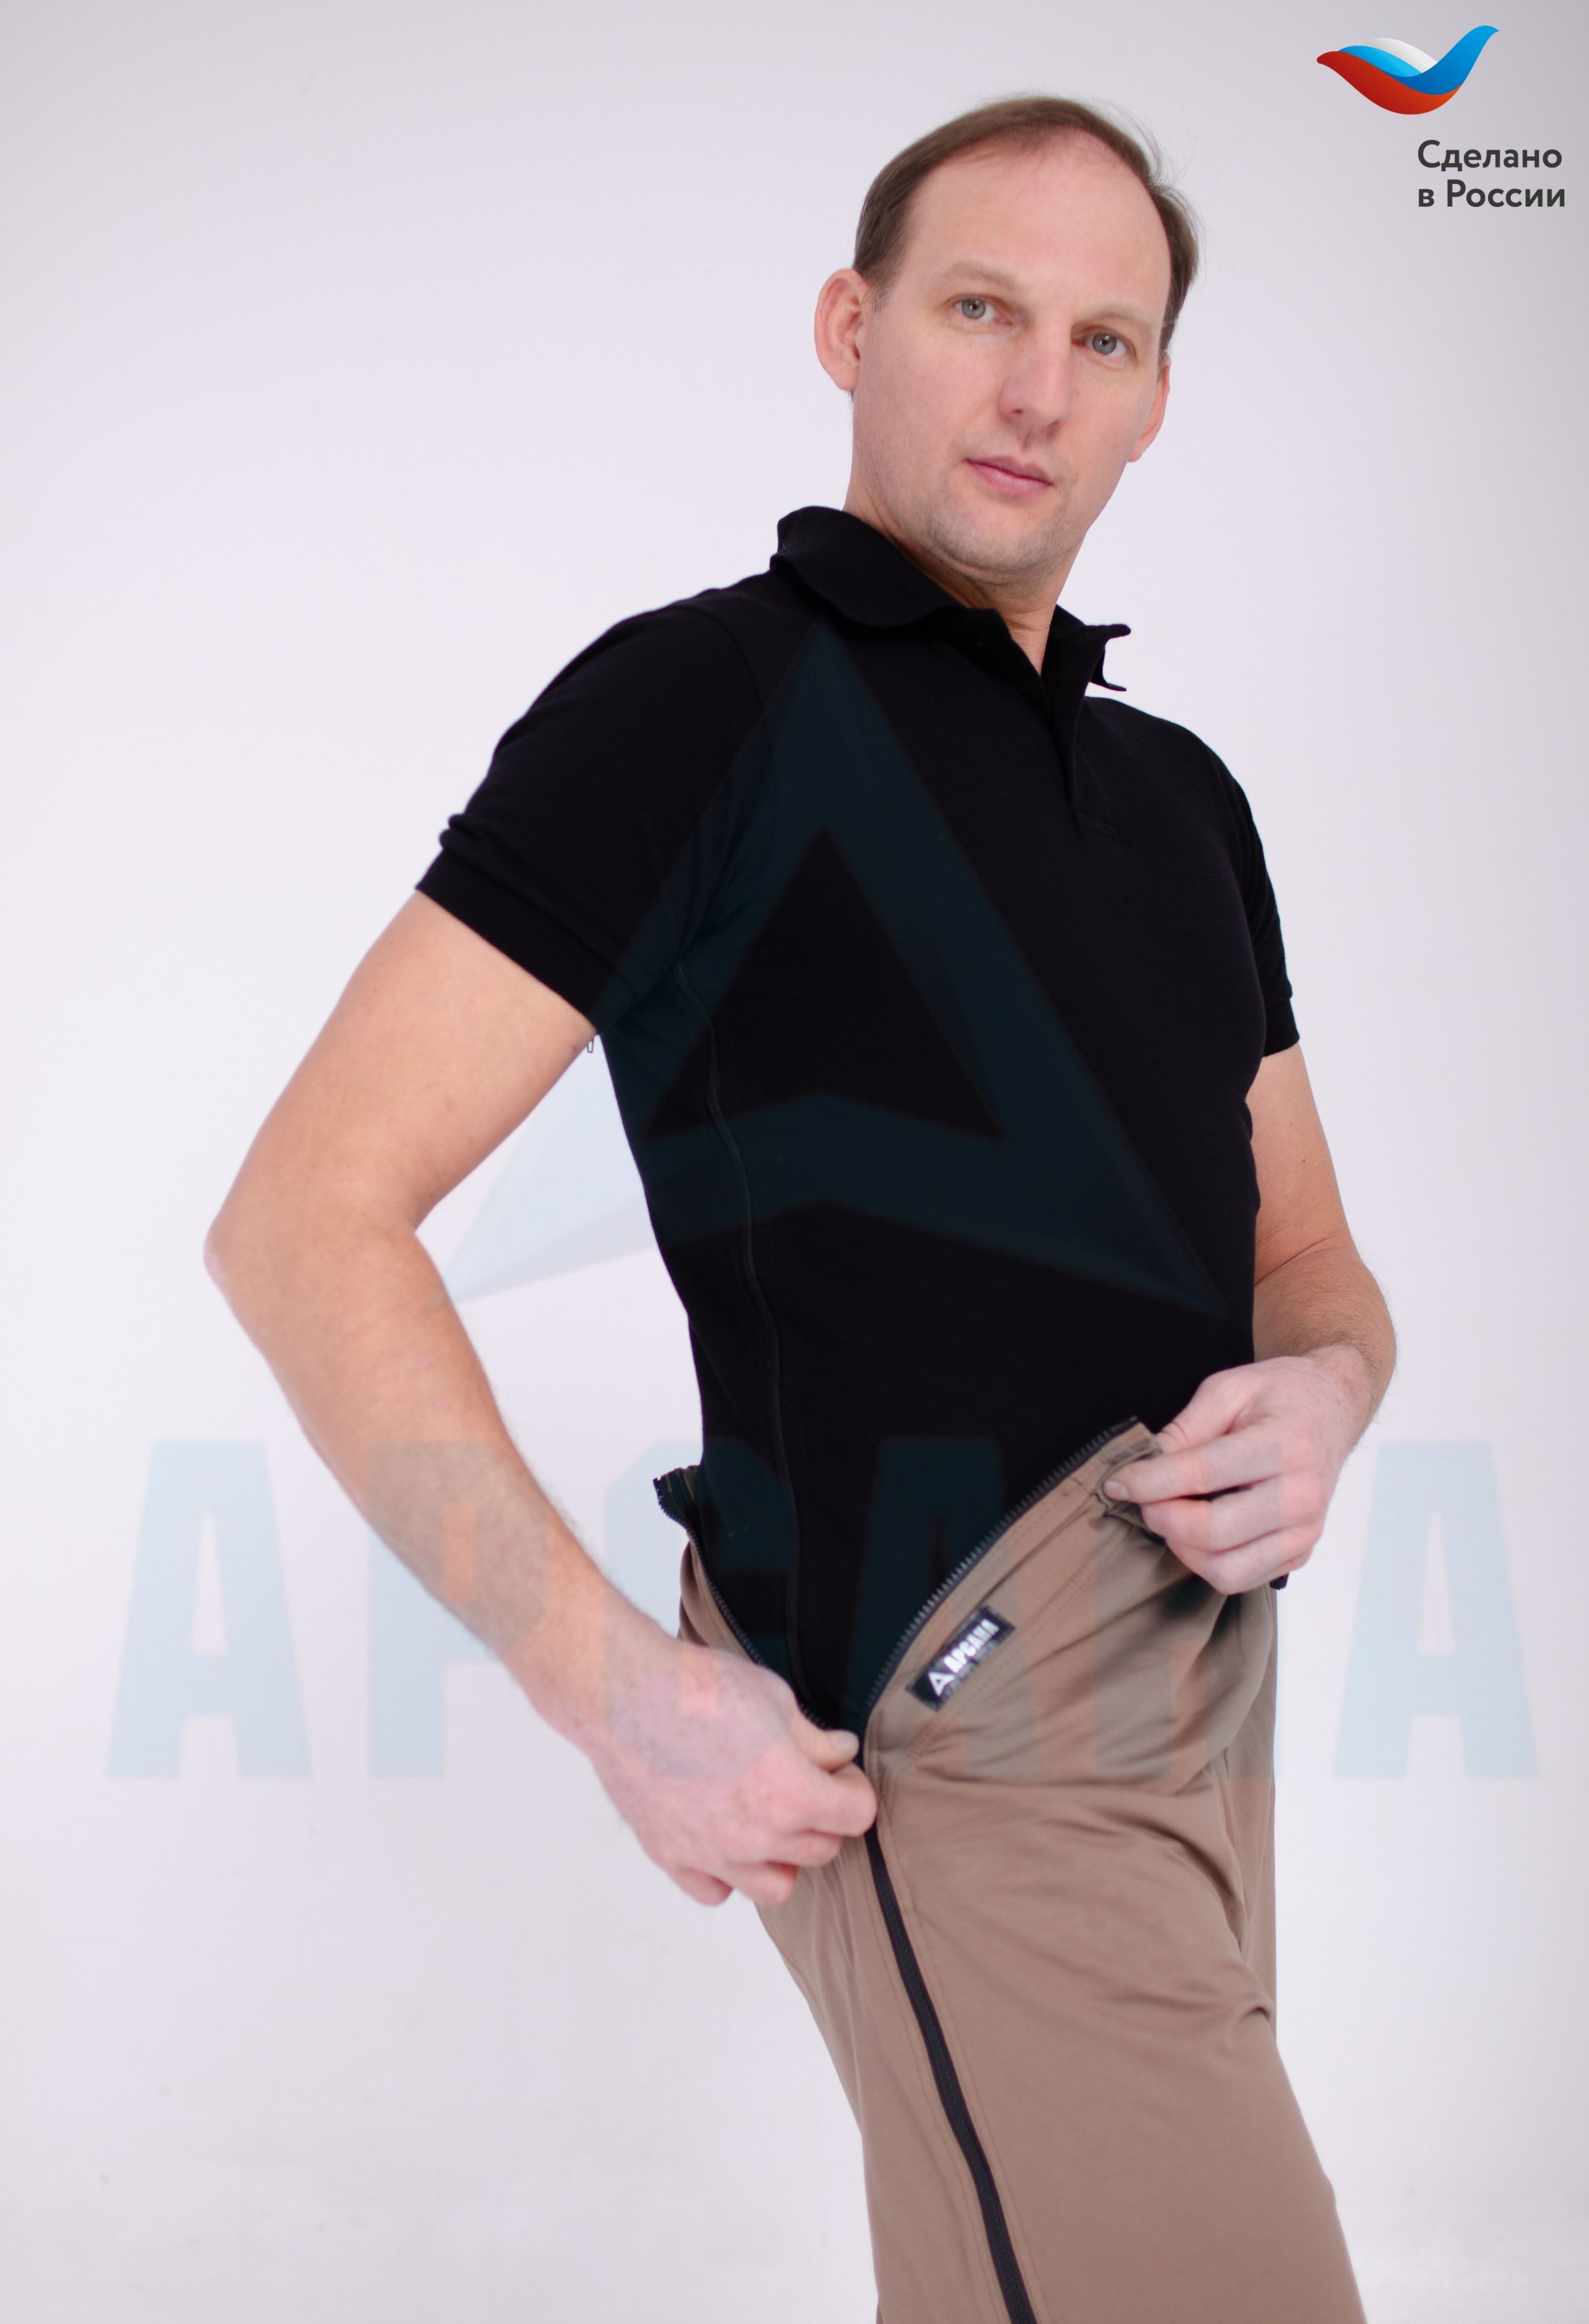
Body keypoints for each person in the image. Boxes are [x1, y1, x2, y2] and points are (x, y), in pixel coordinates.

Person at [208, 94, 1392, 2324]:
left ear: (1156, 398)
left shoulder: (1182, 802)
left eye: (1104, 339)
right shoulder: (700, 706)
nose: (1038, 387)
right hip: (956, 1707)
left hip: (1203, 1698)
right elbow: (303, 1216)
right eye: (980, 309)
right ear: (853, 327)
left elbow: (1307, 1259)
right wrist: (612, 1692)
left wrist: (1329, 1388)